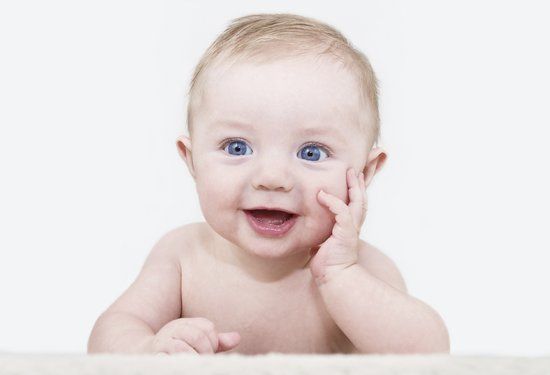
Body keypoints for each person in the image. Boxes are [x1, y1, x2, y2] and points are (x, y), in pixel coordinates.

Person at [87, 13, 450, 355]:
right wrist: (146, 351)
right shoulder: (183, 256)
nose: (272, 178)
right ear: (192, 159)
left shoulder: (364, 269)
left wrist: (341, 276)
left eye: (311, 153)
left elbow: (431, 354)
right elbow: (111, 332)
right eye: (237, 147)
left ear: (365, 173)